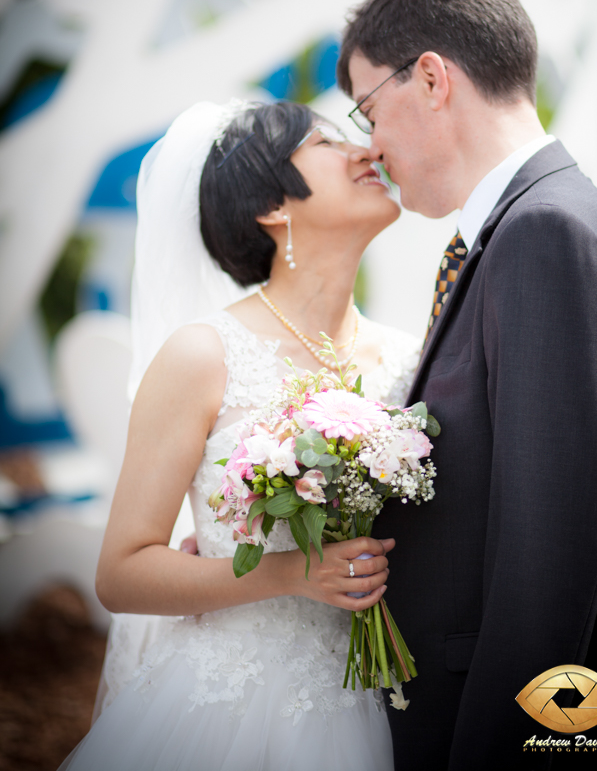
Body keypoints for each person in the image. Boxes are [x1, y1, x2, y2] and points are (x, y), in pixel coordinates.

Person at [337, 0, 597, 767]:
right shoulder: (555, 220)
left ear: (431, 78)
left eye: (366, 108)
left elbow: (545, 570)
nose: (370, 144)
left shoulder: (544, 236)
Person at [59, 99, 421, 771]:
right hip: (233, 712)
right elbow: (123, 574)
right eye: (325, 143)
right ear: (272, 208)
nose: (366, 151)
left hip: (390, 696)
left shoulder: (411, 358)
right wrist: (292, 571)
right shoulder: (203, 356)